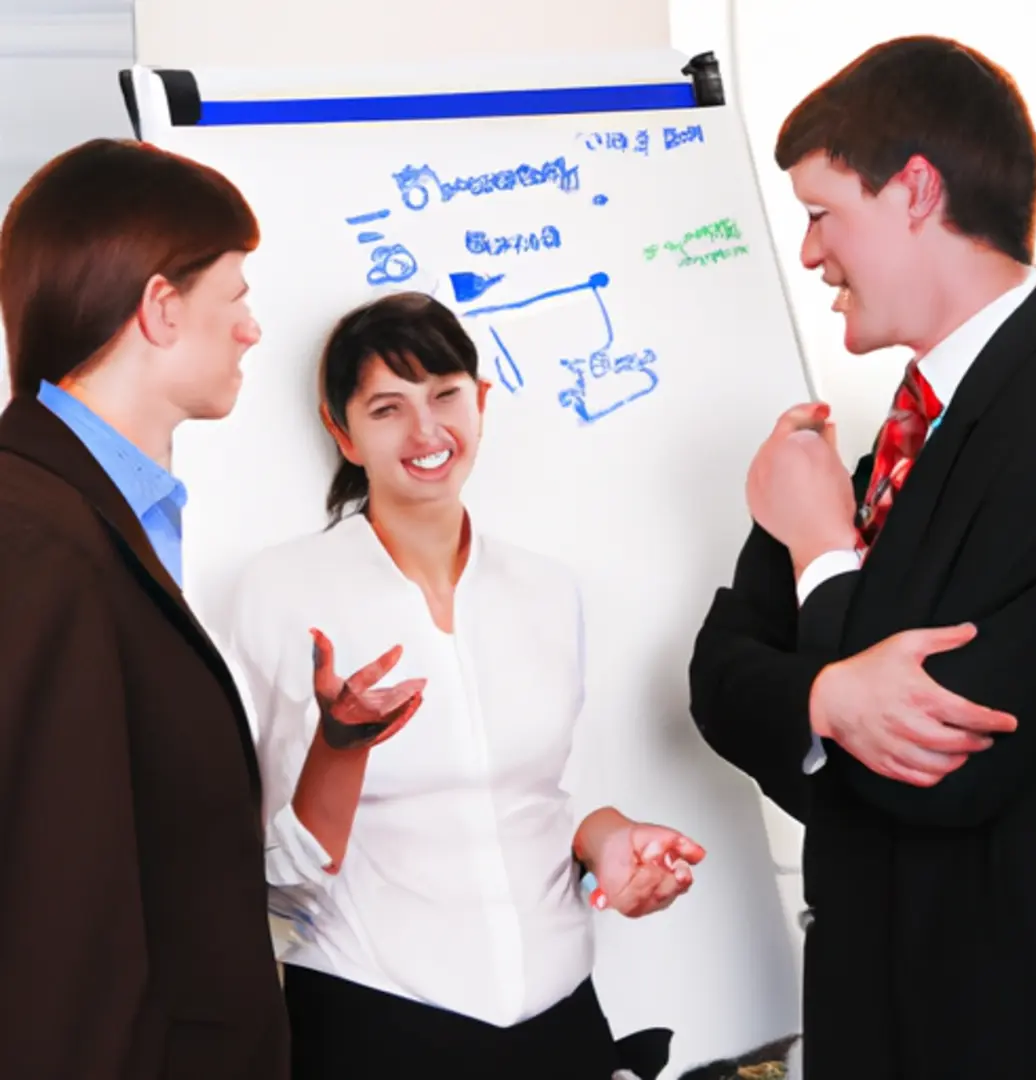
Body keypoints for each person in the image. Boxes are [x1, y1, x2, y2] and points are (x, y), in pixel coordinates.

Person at [689, 35, 1036, 1079]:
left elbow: (939, 768)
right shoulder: (877, 448)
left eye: (822, 214)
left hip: (1007, 1036)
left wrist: (820, 550)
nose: (810, 254)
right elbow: (720, 680)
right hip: (870, 1020)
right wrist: (827, 704)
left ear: (915, 191)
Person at [226, 291, 705, 1080]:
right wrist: (339, 746)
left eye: (446, 395)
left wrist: (616, 846)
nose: (426, 432)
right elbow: (276, 876)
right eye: (388, 408)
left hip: (562, 1021)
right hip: (377, 1024)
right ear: (341, 431)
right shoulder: (283, 593)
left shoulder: (547, 589)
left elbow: (565, 797)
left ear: (482, 403)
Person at [0, 139, 288, 1078]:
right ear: (161, 308)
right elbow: (55, 916)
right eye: (235, 297)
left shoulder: (98, 512)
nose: (251, 330)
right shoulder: (33, 534)